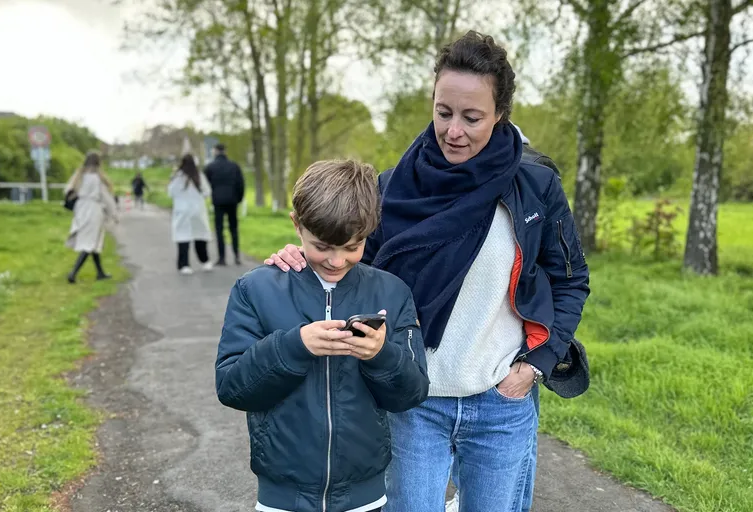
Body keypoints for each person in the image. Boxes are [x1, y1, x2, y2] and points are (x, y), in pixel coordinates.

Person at [265, 31, 590, 512]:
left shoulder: (534, 187)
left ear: (501, 114)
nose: (453, 130)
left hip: (500, 401)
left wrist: (533, 367)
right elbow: (348, 269)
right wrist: (302, 260)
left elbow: (569, 280)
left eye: (472, 117)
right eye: (443, 113)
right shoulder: (391, 190)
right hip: (412, 401)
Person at [215, 159, 429, 512]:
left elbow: (412, 393)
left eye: (352, 247)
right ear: (297, 225)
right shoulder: (255, 289)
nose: (336, 261)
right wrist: (294, 347)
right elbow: (231, 388)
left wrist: (380, 355)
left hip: (364, 494)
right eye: (323, 246)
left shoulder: (392, 293)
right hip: (282, 494)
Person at [65, 151, 118, 284]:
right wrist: (114, 213)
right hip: (93, 209)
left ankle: (100, 272)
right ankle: (73, 273)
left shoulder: (79, 176)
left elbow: (68, 190)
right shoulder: (98, 178)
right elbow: (106, 197)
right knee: (90, 243)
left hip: (80, 209)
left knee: (93, 241)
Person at [168, 154, 214, 275]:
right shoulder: (199, 175)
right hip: (197, 211)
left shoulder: (177, 176)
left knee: (183, 238)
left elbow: (171, 192)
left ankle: (184, 264)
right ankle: (205, 261)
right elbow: (207, 191)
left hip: (182, 211)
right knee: (200, 237)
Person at [203, 143, 245, 266]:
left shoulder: (210, 167)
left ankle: (222, 258)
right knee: (233, 229)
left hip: (218, 201)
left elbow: (205, 184)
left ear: (215, 151)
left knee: (219, 229)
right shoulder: (234, 166)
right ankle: (236, 256)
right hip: (232, 201)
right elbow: (241, 184)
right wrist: (239, 199)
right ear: (225, 151)